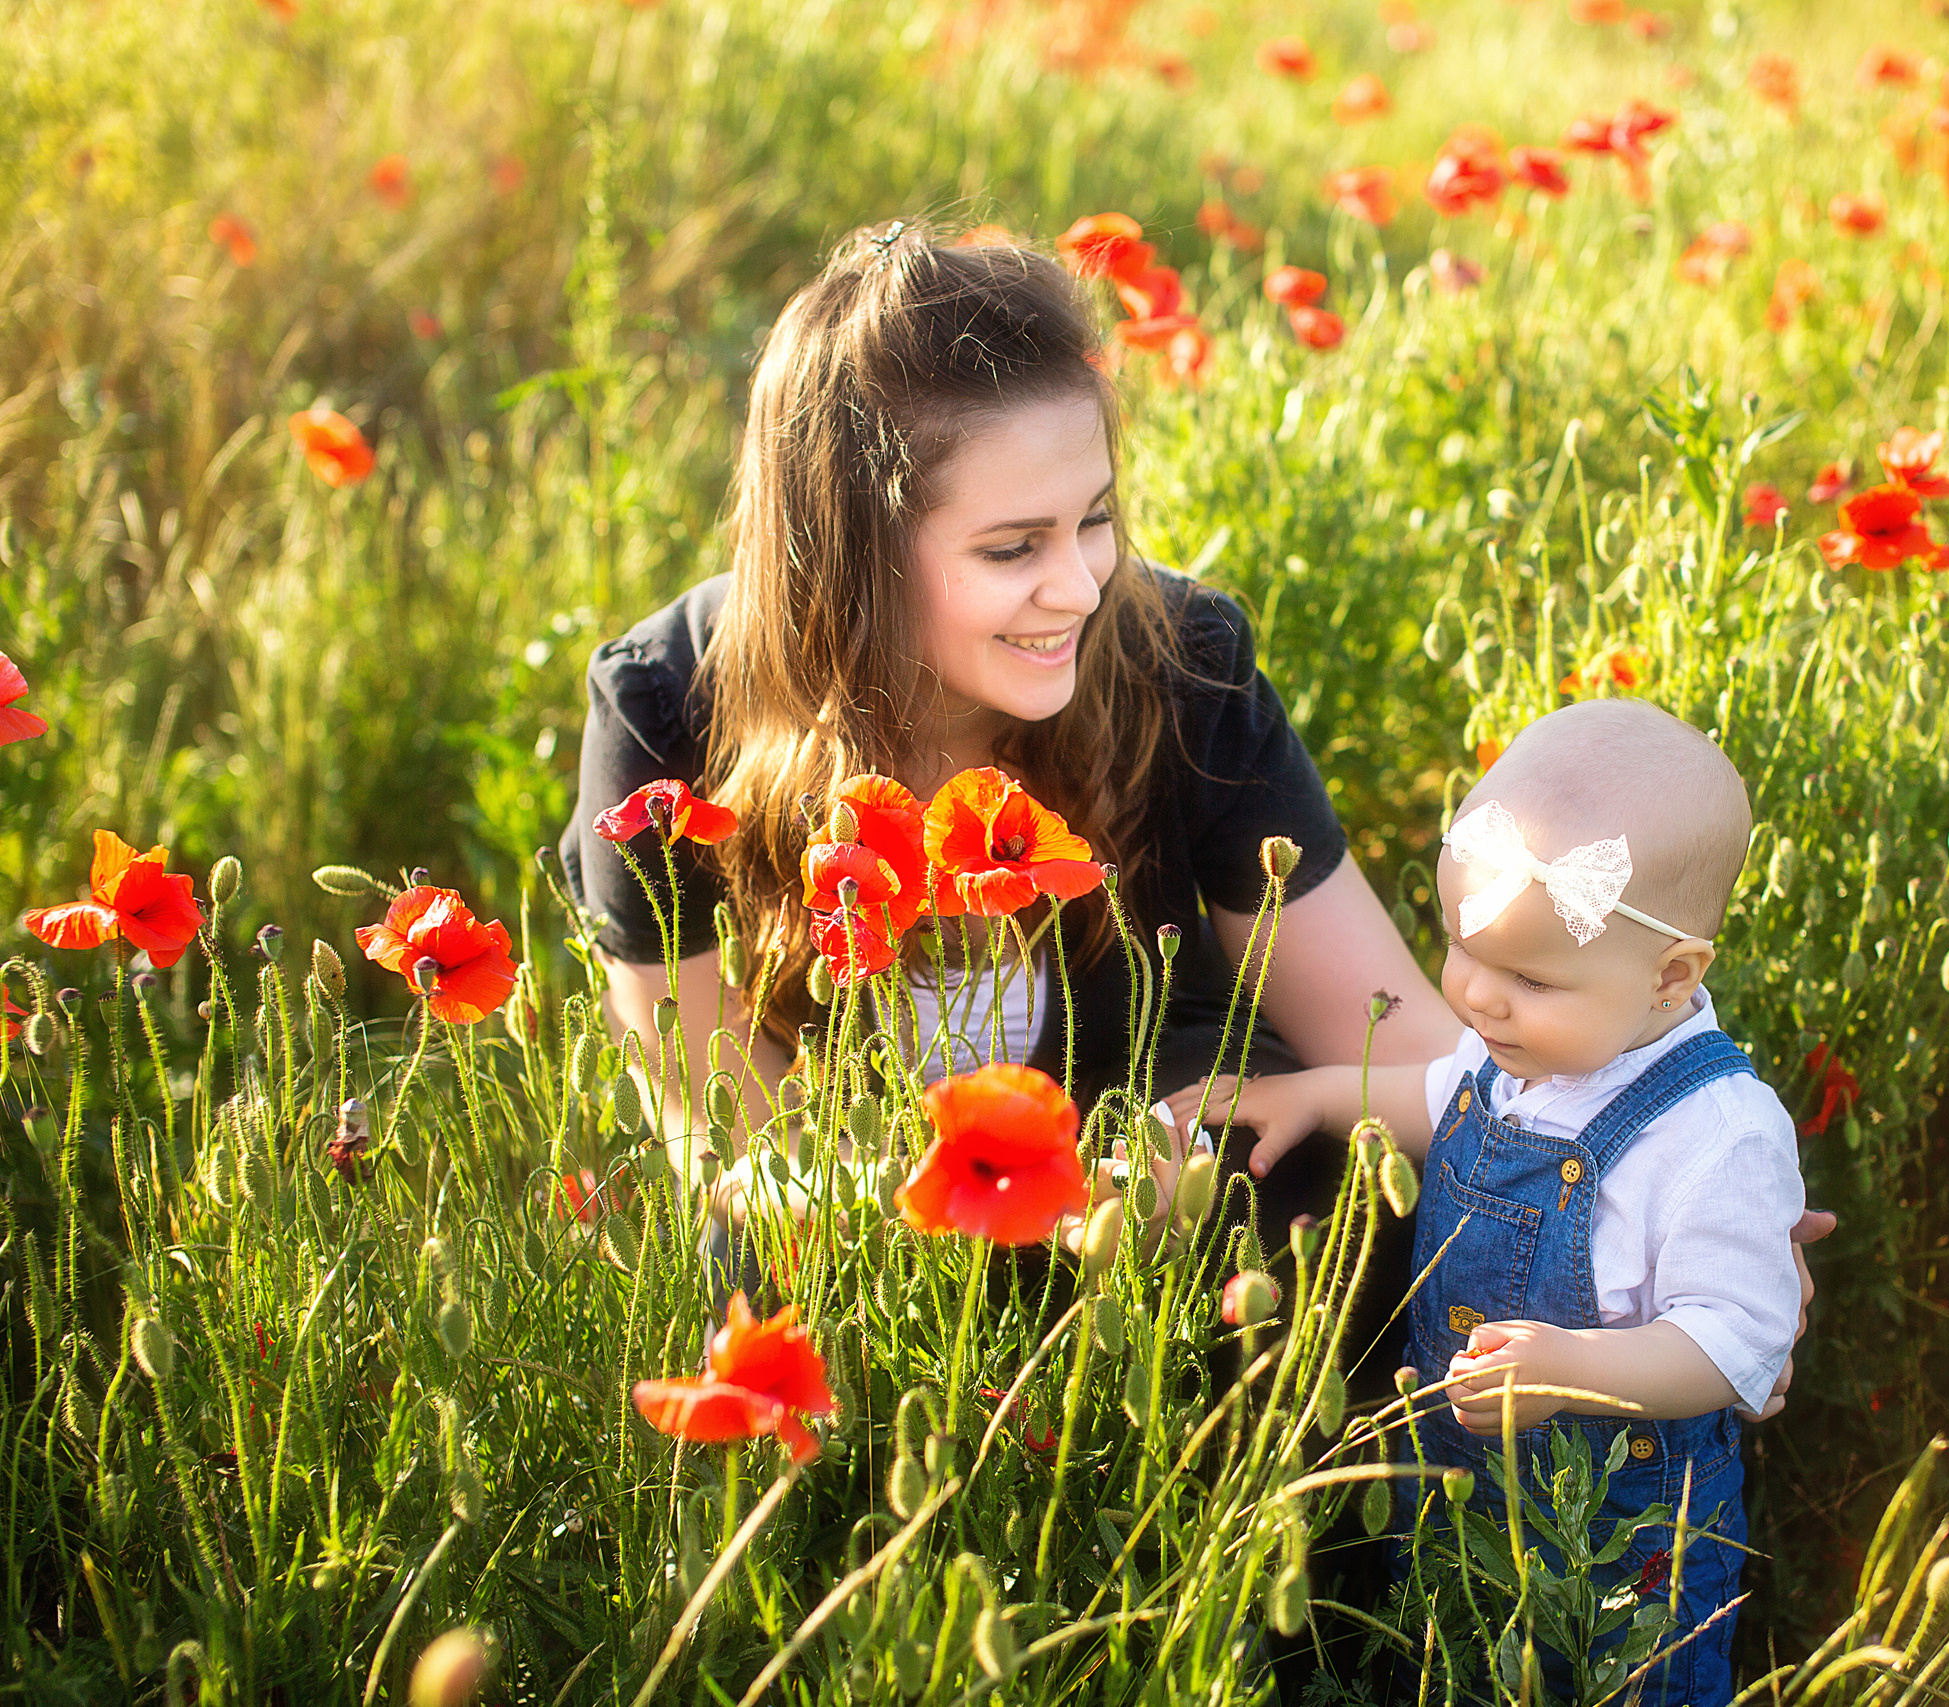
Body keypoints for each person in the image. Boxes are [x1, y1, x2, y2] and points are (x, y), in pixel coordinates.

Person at [556, 221, 1827, 1411]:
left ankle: (1309, 1566)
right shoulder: (669, 713)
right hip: (861, 1227)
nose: (1079, 584)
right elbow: (727, 1137)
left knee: (1320, 1181)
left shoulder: (1179, 660)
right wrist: (1014, 1204)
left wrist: (1660, 1205)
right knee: (740, 1252)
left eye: (1094, 520)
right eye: (1012, 549)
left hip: (1162, 1193)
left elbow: (1413, 1053)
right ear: (848, 550)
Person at [1170, 699, 1798, 1705]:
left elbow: (1738, 1342)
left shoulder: (1715, 1136)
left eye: (1529, 979)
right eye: (1459, 948)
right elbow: (1435, 1102)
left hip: (1622, 1558)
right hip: (1461, 1499)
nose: (1474, 996)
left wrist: (1577, 1368)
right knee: (1453, 1663)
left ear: (1670, 978)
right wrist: (1314, 1095)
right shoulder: (1515, 1057)